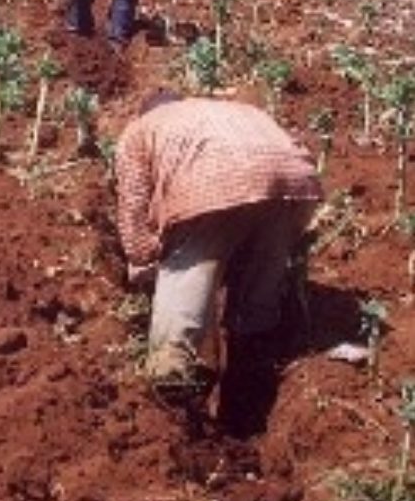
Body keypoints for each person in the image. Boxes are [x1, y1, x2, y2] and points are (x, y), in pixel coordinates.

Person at [114, 90, 323, 435]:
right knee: (257, 296)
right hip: (295, 182)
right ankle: (249, 389)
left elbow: (134, 205)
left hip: (216, 182)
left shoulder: (139, 130)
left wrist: (143, 260)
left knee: (183, 292)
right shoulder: (237, 109)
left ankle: (172, 391)